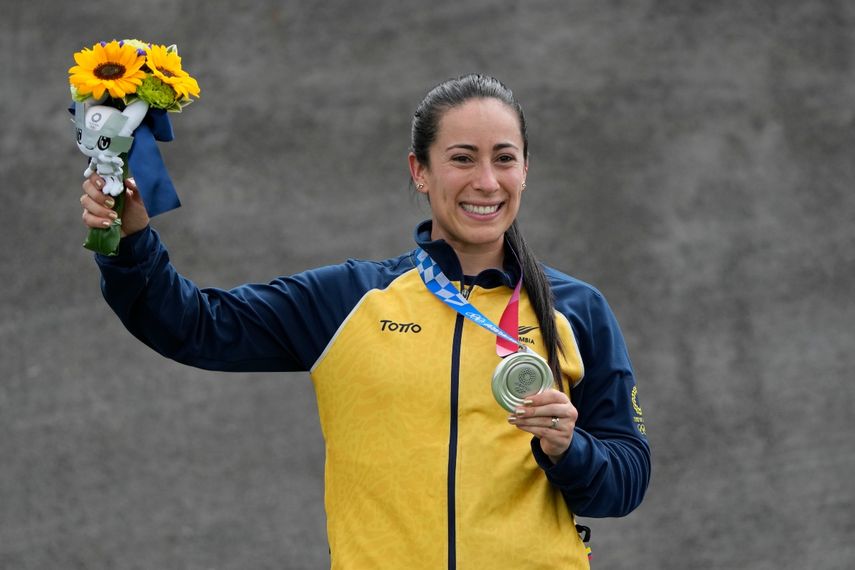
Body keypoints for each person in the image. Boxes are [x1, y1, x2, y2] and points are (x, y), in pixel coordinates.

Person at [79, 74, 650, 569]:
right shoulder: (348, 300)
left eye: (504, 158)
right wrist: (131, 241)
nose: (486, 181)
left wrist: (568, 449)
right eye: (461, 158)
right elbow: (192, 326)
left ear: (525, 169)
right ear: (420, 171)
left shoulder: (577, 309)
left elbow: (627, 479)